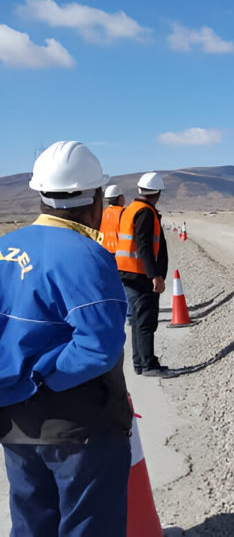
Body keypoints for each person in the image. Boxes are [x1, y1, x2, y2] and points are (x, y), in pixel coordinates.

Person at [0, 140, 133, 536]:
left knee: (31, 523)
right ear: (95, 199)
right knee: (88, 525)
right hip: (77, 426)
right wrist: (42, 376)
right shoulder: (86, 255)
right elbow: (99, 346)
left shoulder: (6, 247)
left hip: (13, 422)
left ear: (40, 193)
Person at [116, 172, 169, 377]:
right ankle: (148, 365)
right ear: (156, 193)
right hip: (140, 274)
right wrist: (155, 275)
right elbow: (144, 246)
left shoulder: (130, 209)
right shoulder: (145, 212)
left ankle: (141, 363)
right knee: (146, 321)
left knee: (138, 320)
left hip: (128, 271)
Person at [99, 184, 125, 254]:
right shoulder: (123, 212)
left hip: (104, 252)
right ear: (119, 198)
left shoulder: (102, 214)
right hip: (120, 252)